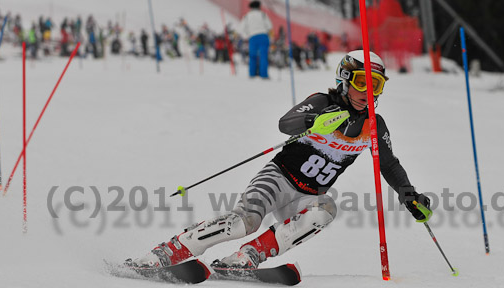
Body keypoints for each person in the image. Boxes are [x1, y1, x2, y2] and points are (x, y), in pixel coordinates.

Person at [127, 50, 431, 272]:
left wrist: (409, 196)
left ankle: (249, 256)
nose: (368, 92)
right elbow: (286, 124)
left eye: (376, 85)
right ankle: (171, 251)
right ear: (345, 79)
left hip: (308, 195)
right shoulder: (324, 102)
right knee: (244, 221)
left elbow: (388, 165)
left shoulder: (374, 125)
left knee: (325, 210)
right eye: (363, 82)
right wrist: (316, 120)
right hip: (279, 178)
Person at [238, 0, 272, 79]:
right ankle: (264, 75)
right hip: (263, 36)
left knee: (252, 56)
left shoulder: (247, 16)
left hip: (253, 37)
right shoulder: (263, 15)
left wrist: (246, 36)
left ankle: (252, 74)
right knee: (263, 56)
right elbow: (269, 26)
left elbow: (241, 28)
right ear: (259, 7)